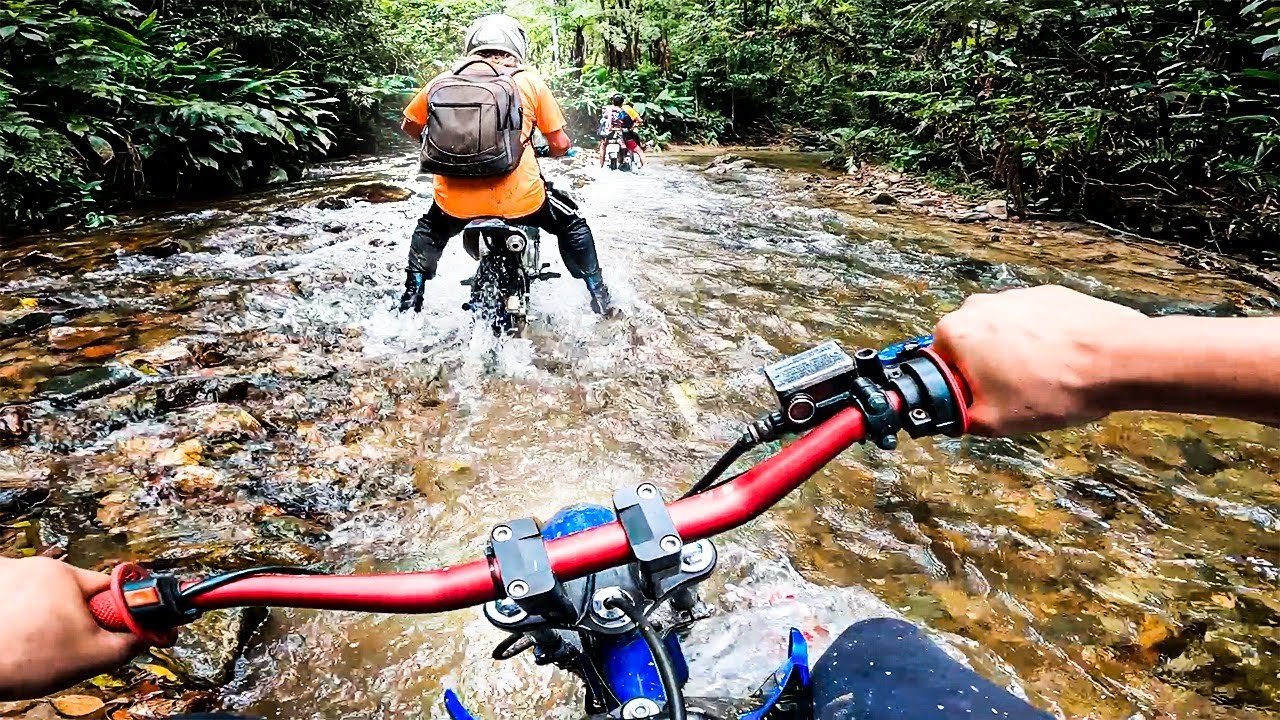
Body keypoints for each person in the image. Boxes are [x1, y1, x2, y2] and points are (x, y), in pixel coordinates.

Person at [7, 285, 1279, 711]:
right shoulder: (529, 96)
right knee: (873, 658)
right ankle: (810, 628)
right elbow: (550, 144)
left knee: (435, 241)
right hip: (526, 194)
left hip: (453, 207)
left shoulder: (444, 91)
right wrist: (1117, 356)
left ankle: (414, 293)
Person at [398, 15, 614, 316]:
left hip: (454, 204)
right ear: (516, 47)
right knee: (571, 223)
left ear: (471, 45)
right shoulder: (528, 82)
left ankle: (411, 296)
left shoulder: (441, 81)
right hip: (521, 201)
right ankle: (599, 296)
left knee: (429, 229)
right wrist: (546, 151)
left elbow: (409, 126)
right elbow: (561, 144)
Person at [597, 93, 646, 169]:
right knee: (639, 150)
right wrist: (633, 126)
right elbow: (630, 124)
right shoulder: (623, 112)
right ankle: (644, 167)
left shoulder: (607, 109)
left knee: (603, 147)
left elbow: (603, 120)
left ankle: (600, 166)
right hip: (622, 135)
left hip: (607, 135)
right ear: (622, 103)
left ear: (612, 101)